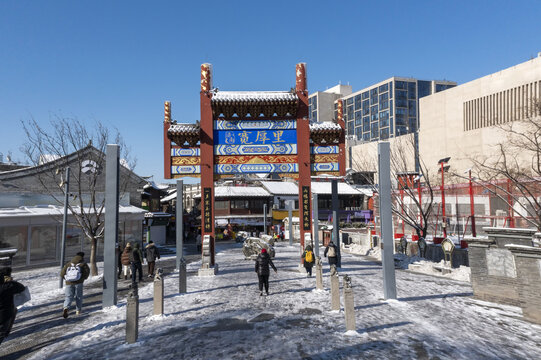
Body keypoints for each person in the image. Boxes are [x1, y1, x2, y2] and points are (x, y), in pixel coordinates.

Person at [60, 251, 90, 318]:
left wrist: (67, 279)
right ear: (82, 257)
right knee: (78, 296)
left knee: (68, 296)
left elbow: (62, 273)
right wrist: (83, 278)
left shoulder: (69, 264)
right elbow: (87, 273)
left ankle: (66, 308)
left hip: (69, 283)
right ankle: (78, 310)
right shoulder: (83, 264)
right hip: (79, 283)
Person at [0, 267, 25, 345]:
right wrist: (9, 280)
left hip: (5, 314)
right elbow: (21, 287)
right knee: (1, 333)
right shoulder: (8, 286)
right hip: (4, 315)